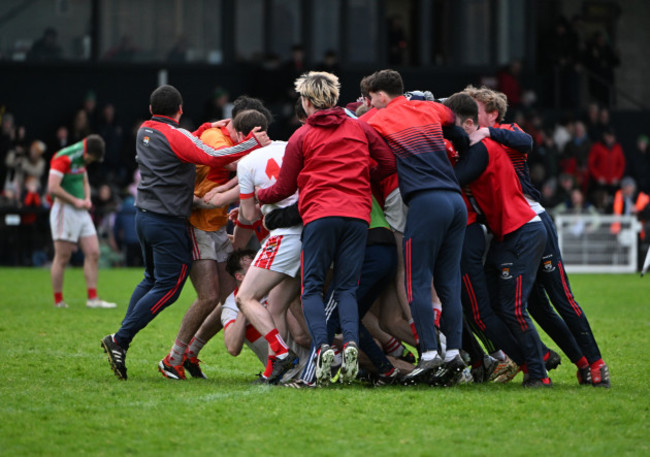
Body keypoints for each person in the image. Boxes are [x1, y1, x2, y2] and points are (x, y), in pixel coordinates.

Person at [101, 84, 270, 381]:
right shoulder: (215, 138)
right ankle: (164, 354)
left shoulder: (150, 129)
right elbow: (220, 159)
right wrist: (258, 148)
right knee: (193, 292)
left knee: (234, 295)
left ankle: (188, 353)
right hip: (192, 222)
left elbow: (187, 144)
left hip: (201, 222)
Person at [257, 71, 396, 386]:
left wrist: (260, 195)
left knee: (312, 287)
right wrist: (362, 175)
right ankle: (349, 342)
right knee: (347, 287)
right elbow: (388, 162)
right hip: (358, 216)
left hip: (320, 215)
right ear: (333, 98)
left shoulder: (301, 136)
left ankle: (321, 346)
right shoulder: (360, 128)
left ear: (306, 102)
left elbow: (283, 187)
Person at [364, 69, 468, 386]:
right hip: (455, 200)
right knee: (449, 282)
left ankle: (428, 354)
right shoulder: (428, 108)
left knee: (416, 280)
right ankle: (453, 352)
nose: (370, 104)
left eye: (370, 99)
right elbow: (457, 126)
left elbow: (354, 136)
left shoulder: (375, 118)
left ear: (381, 96)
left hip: (426, 202)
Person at [47, 134, 116, 309]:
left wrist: (86, 198)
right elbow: (52, 188)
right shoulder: (64, 158)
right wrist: (76, 201)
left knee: (93, 252)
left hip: (81, 211)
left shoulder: (82, 157)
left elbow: (84, 179)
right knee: (63, 256)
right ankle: (58, 301)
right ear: (88, 153)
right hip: (64, 210)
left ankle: (93, 299)